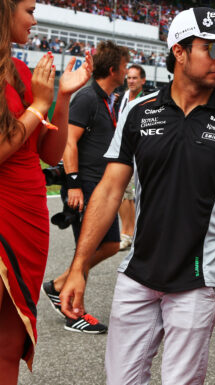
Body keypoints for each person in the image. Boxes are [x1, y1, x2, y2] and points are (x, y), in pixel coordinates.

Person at [57, 7, 215, 385]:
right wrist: (78, 267)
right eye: (212, 49)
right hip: (138, 274)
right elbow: (109, 190)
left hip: (199, 279)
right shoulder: (138, 110)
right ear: (179, 51)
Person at [0, 0, 92, 381]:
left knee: (7, 347)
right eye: (29, 9)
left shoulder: (24, 71)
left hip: (29, 216)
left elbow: (49, 154)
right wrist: (39, 103)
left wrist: (62, 98)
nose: (35, 20)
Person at [42, 40, 129, 334]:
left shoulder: (107, 98)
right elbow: (69, 140)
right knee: (86, 248)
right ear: (114, 69)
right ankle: (74, 312)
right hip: (85, 184)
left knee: (111, 245)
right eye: (125, 66)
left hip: (100, 185)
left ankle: (58, 285)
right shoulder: (88, 97)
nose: (128, 71)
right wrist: (74, 183)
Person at [117, 64, 146, 251]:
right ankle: (128, 233)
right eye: (129, 77)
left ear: (143, 80)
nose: (131, 81)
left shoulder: (148, 100)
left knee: (138, 196)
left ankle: (133, 233)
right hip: (123, 150)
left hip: (141, 152)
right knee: (123, 194)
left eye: (135, 78)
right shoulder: (122, 97)